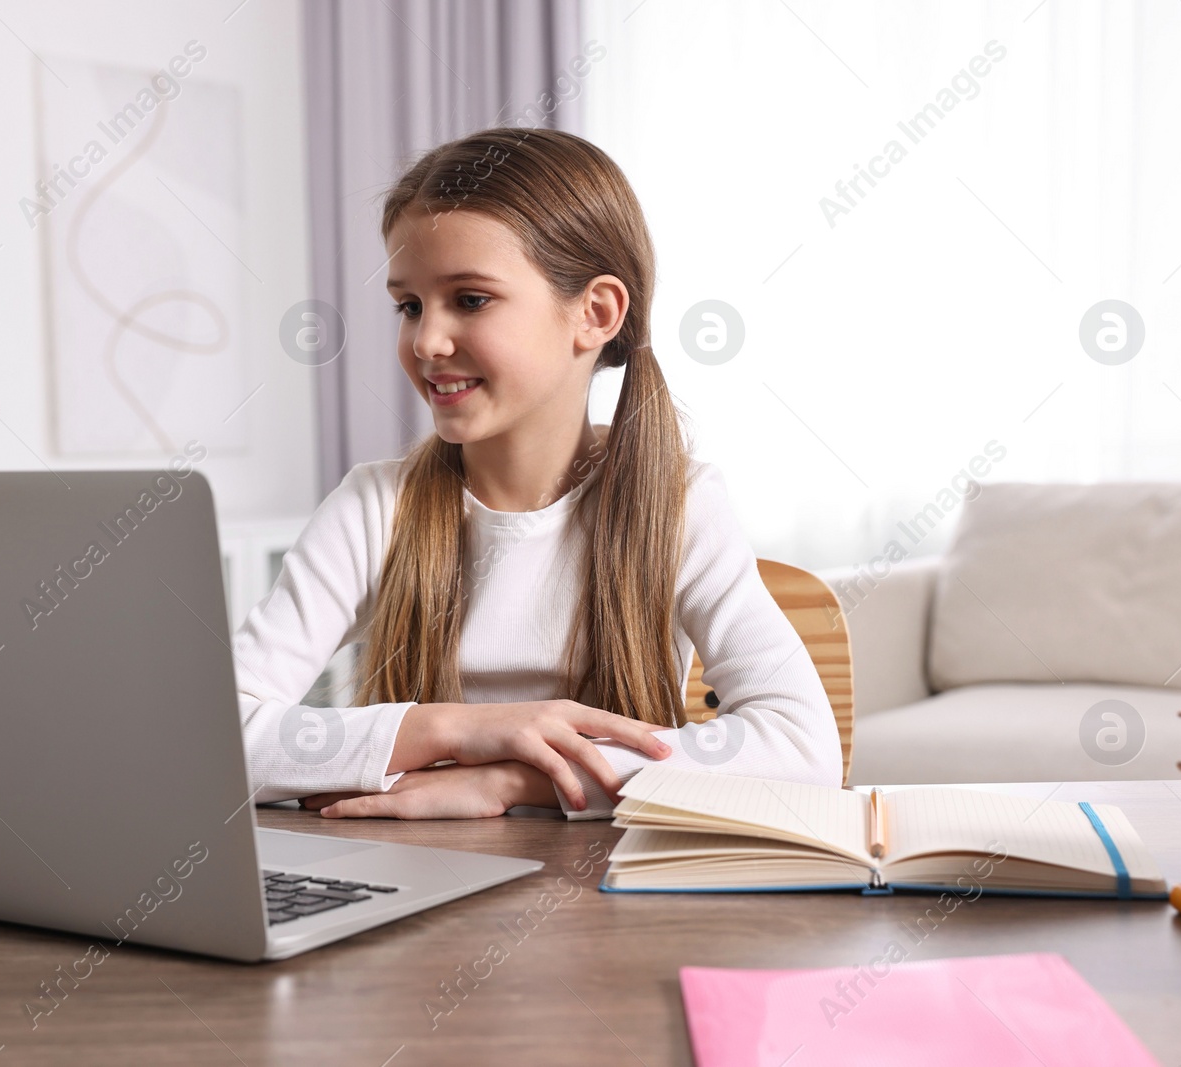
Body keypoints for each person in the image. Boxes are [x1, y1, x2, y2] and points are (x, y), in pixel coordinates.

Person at [234, 126, 841, 820]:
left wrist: (512, 780)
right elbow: (209, 732)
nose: (426, 340)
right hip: (420, 887)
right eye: (409, 305)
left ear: (595, 313)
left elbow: (802, 749)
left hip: (613, 906)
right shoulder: (377, 506)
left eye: (469, 299)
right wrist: (458, 731)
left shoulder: (678, 503)